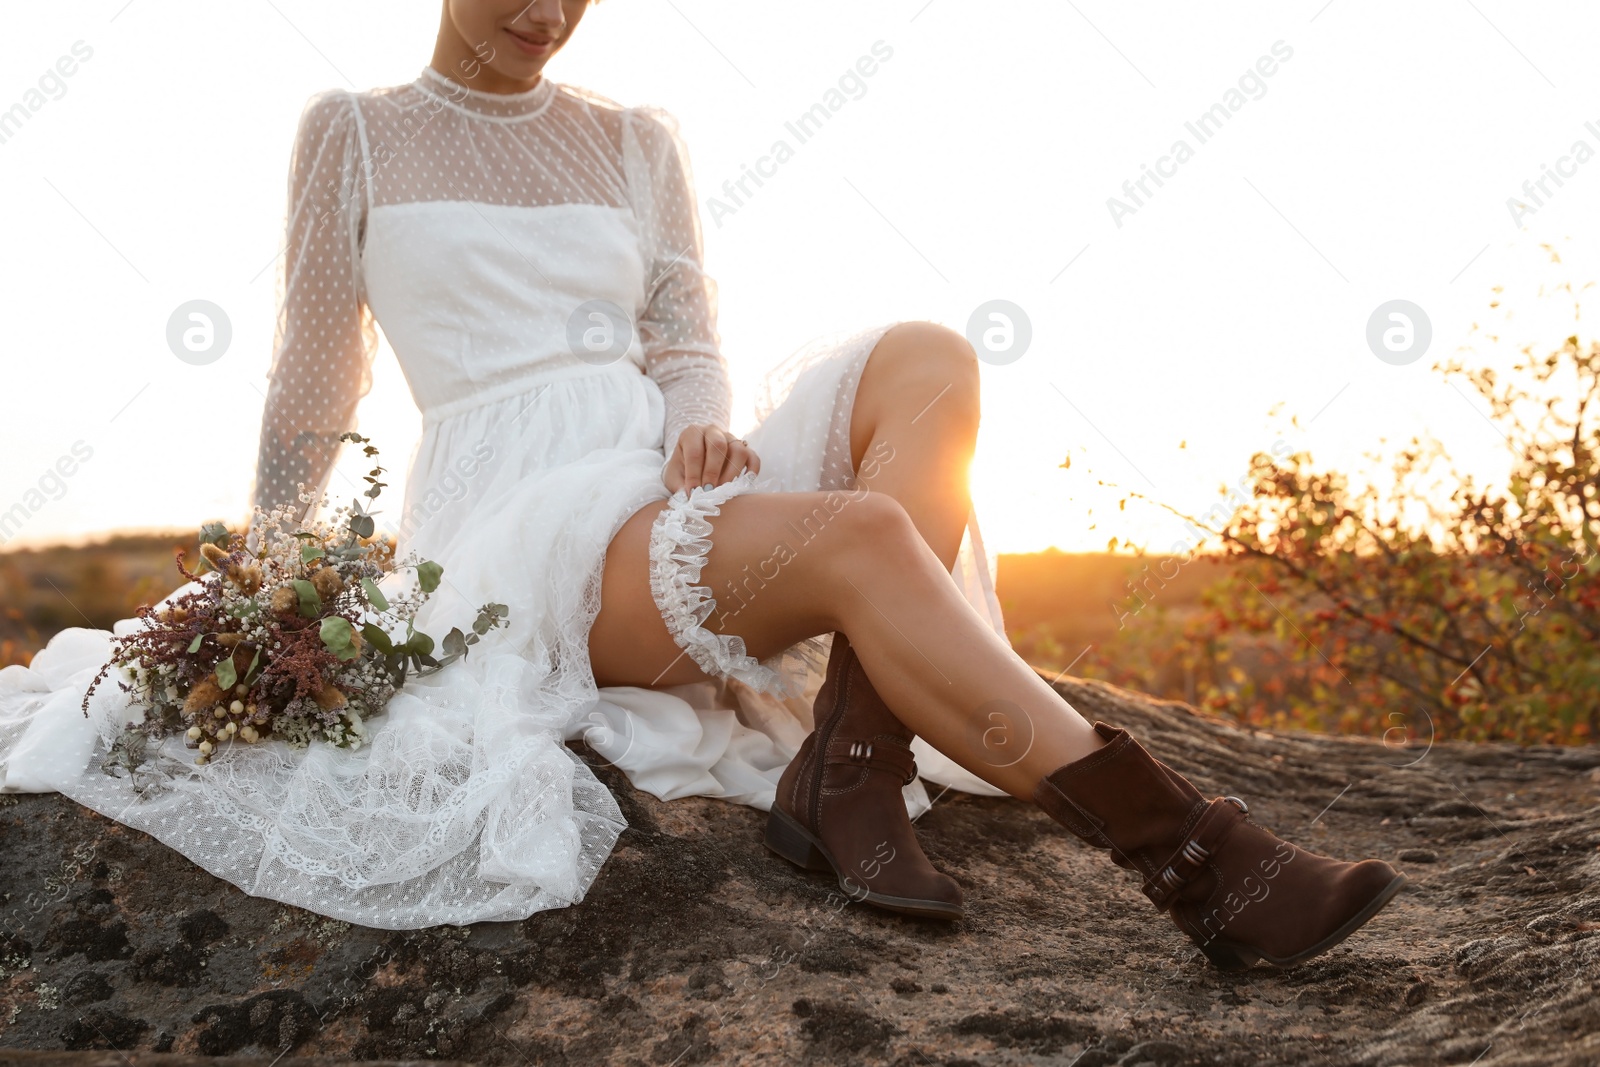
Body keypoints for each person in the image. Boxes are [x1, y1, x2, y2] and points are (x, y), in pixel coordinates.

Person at [0, 0, 1404, 966]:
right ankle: (1196, 862)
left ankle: (845, 758)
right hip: (521, 524)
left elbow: (683, 334)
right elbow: (314, 371)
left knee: (925, 357)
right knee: (860, 535)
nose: (545, 12)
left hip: (663, 474)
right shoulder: (352, 132)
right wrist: (278, 576)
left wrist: (704, 425)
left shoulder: (632, 136)